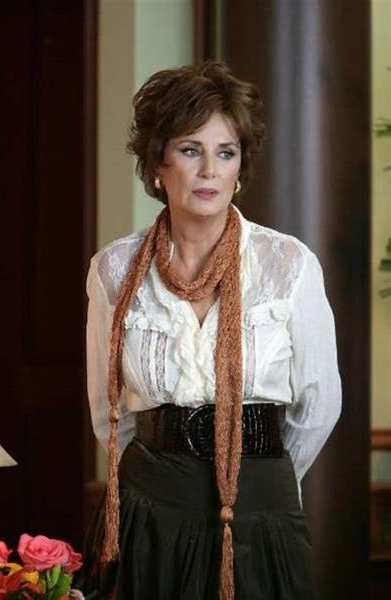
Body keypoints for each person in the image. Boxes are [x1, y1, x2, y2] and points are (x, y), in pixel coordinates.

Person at [84, 61, 342, 600]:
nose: (208, 170)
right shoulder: (114, 269)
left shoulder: (288, 265)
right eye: (189, 150)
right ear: (157, 164)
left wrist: (261, 482)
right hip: (149, 506)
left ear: (240, 168)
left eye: (225, 153)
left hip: (259, 505)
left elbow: (319, 406)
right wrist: (151, 485)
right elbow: (109, 413)